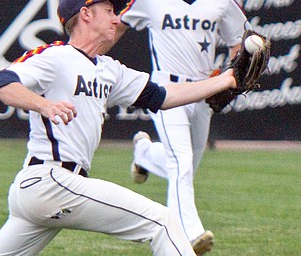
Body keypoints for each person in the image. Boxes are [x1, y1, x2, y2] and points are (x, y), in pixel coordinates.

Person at [0, 0, 239, 255]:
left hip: (46, 191)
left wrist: (225, 80)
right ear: (85, 14)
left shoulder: (109, 70)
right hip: (50, 180)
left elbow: (164, 97)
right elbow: (2, 83)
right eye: (108, 11)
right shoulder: (56, 56)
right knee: (163, 221)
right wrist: (43, 105)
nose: (116, 19)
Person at [105, 1, 250, 255]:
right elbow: (118, 25)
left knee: (186, 166)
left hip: (205, 89)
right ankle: (188, 234)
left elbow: (240, 40)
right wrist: (90, 58)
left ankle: (145, 153)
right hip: (166, 90)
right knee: (181, 161)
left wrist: (231, 74)